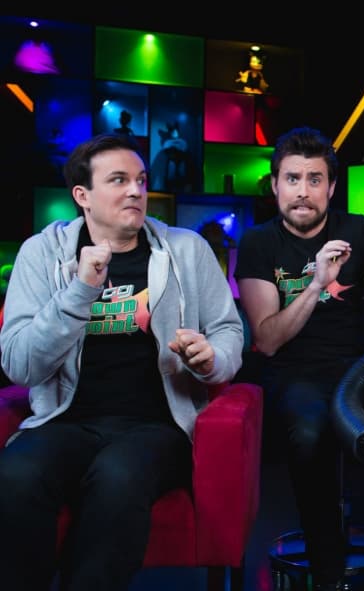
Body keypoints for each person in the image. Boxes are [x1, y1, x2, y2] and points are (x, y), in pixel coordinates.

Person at [0, 133, 244, 591]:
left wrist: (212, 360)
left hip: (157, 426)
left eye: (141, 180)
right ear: (83, 196)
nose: (136, 190)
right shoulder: (41, 253)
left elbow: (229, 331)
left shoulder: (186, 249)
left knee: (118, 477)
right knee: (16, 475)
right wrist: (80, 291)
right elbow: (19, 364)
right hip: (65, 421)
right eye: (118, 180)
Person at [234, 126, 364, 591]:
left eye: (315, 179)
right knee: (310, 435)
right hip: (295, 373)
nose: (303, 191)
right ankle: (328, 576)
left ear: (331, 187)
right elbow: (268, 340)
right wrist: (315, 284)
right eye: (292, 179)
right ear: (275, 185)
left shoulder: (358, 230)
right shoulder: (258, 244)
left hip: (360, 369)